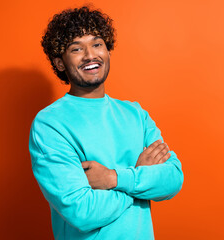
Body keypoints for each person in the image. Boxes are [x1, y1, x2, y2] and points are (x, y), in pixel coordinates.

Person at [29, 6, 184, 240]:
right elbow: (82, 211)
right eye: (76, 49)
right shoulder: (50, 124)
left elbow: (172, 179)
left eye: (97, 44)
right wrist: (140, 180)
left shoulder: (135, 114)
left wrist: (114, 178)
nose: (90, 55)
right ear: (60, 63)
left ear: (108, 50)